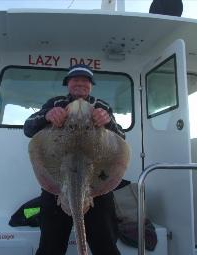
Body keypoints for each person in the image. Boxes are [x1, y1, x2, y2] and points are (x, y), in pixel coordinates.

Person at [24, 64, 125, 255]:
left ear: (91, 85)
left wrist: (108, 121)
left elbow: (121, 137)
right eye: (75, 79)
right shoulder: (55, 103)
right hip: (59, 183)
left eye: (85, 80)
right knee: (50, 246)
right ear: (67, 83)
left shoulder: (102, 106)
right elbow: (28, 128)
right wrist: (47, 116)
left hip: (95, 185)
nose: (80, 83)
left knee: (106, 245)